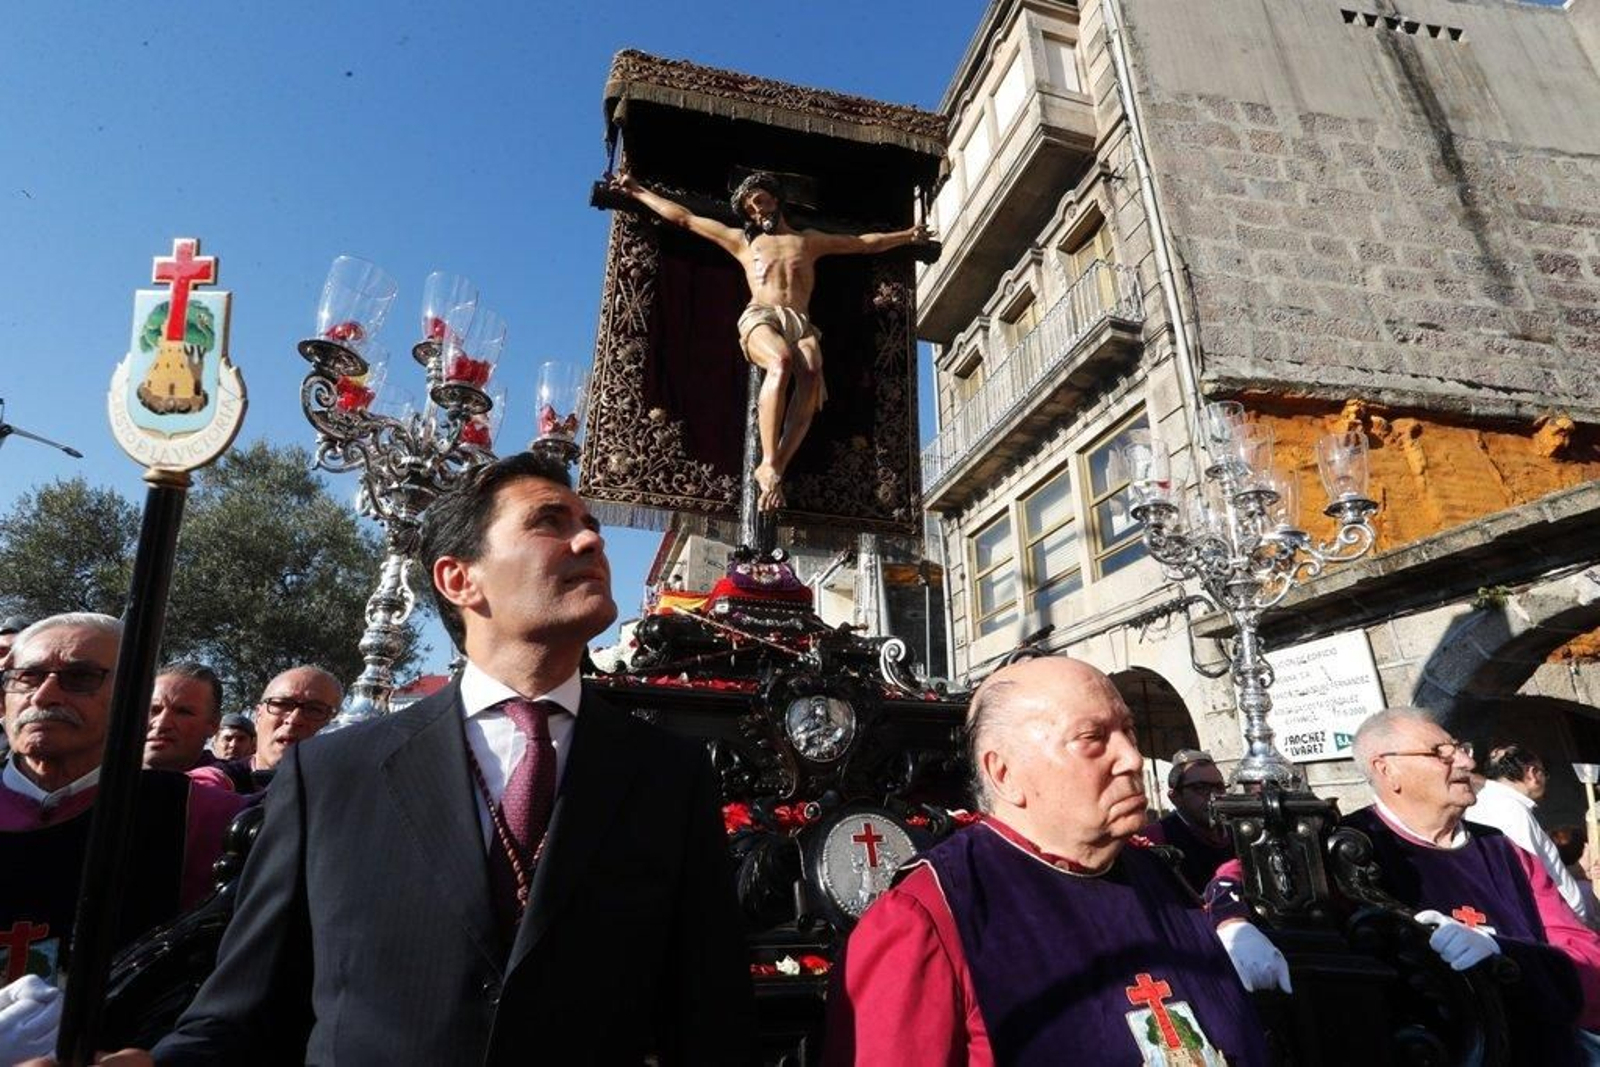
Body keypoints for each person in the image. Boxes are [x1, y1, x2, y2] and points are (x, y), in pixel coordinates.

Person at [139, 451, 753, 1064]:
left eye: (589, 523)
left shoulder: (668, 774)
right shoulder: (331, 776)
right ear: (460, 579)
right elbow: (240, 1014)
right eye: (550, 522)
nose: (592, 538)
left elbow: (708, 1018)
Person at [824, 655, 1280, 1066]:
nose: (1132, 758)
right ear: (1004, 773)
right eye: (1092, 738)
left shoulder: (1161, 876)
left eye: (1129, 731)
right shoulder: (929, 915)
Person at [610, 168, 928, 510]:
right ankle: (769, 454)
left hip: (801, 323)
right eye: (749, 207)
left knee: (810, 375)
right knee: (781, 362)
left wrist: (907, 236)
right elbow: (685, 219)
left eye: (759, 201)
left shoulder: (807, 241)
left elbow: (863, 244)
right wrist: (638, 191)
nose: (756, 210)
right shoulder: (744, 242)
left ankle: (774, 466)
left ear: (776, 200)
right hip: (761, 315)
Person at [1339, 708, 1600, 1062]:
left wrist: (1505, 954)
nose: (1464, 760)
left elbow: (1585, 957)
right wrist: (1234, 922)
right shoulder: (1347, 847)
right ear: (1387, 769)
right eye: (1441, 752)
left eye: (1460, 747)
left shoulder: (1506, 851)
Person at [0, 615, 245, 990]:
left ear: (132, 699)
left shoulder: (199, 816)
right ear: (3, 702)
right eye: (28, 677)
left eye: (80, 678)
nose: (44, 695)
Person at [1469, 743, 1594, 925]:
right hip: (1556, 924)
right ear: (1532, 773)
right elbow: (1531, 875)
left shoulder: (1486, 803)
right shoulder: (1511, 811)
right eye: (1544, 774)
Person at [1142, 748, 1234, 895]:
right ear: (1175, 796)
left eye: (1218, 786)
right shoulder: (1157, 838)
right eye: (1200, 788)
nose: (1213, 795)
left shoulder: (1237, 833)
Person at [242, 665, 342, 789]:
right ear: (258, 717)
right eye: (281, 704)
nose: (294, 719)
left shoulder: (345, 795)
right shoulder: (217, 785)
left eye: (314, 709)